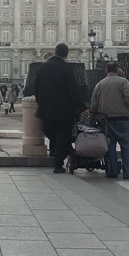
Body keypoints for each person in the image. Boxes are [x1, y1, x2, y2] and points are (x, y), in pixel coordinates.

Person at [33, 43, 86, 173]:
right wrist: (82, 107)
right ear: (66, 54)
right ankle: (58, 164)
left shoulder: (42, 67)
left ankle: (61, 155)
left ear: (55, 52)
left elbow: (36, 88)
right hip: (64, 111)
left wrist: (41, 103)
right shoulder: (66, 68)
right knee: (63, 137)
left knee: (50, 133)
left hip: (46, 110)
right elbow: (72, 90)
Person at [90, 61, 129, 179]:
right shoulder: (123, 82)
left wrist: (92, 120)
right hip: (122, 118)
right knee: (126, 145)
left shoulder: (99, 84)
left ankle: (112, 171)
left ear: (107, 71)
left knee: (110, 146)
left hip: (106, 120)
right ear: (117, 69)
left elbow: (94, 105)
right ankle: (128, 172)